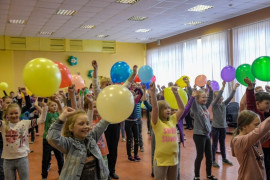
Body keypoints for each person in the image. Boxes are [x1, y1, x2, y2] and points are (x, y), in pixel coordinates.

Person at [91, 60, 137, 179]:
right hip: (102, 126)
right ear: (102, 86)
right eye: (106, 84)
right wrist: (96, 70)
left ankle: (112, 170)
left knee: (113, 149)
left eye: (110, 84)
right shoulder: (100, 94)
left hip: (115, 124)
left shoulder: (116, 93)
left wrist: (134, 73)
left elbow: (127, 84)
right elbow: (95, 85)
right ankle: (103, 171)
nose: (109, 86)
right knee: (103, 150)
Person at [47, 107, 110, 180]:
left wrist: (110, 110)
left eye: (87, 123)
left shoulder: (92, 137)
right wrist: (63, 116)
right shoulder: (69, 144)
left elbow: (103, 123)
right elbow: (52, 138)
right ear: (71, 128)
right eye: (81, 124)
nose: (86, 126)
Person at [1, 102, 47, 180]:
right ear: (7, 115)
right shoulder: (3, 124)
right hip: (7, 160)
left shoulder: (25, 123)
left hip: (22, 158)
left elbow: (42, 119)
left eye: (16, 113)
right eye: (11, 113)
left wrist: (45, 108)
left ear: (20, 113)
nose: (14, 115)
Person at [149, 82, 184, 180]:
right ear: (160, 110)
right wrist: (152, 93)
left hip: (174, 159)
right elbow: (155, 108)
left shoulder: (172, 120)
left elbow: (182, 108)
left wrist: (176, 94)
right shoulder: (157, 123)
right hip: (161, 160)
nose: (168, 110)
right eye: (165, 108)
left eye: (169, 107)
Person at [231, 110, 270, 180]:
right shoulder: (239, 141)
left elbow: (266, 132)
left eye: (259, 124)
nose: (258, 127)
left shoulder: (255, 140)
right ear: (244, 126)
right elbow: (260, 130)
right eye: (256, 125)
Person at [190, 81, 217, 180]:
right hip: (199, 135)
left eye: (205, 97)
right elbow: (192, 102)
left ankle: (209, 175)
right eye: (203, 97)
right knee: (200, 156)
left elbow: (210, 98)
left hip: (206, 134)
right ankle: (196, 176)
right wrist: (192, 93)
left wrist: (209, 88)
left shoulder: (205, 107)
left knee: (209, 156)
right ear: (198, 99)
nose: (205, 99)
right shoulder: (196, 108)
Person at [244, 77, 270, 180]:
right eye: (267, 103)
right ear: (258, 103)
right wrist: (250, 88)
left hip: (268, 147)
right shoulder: (256, 114)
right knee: (261, 169)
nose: (269, 105)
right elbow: (251, 104)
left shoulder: (268, 113)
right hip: (261, 147)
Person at [211, 81, 240, 168]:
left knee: (222, 143)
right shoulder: (214, 105)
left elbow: (230, 97)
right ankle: (212, 160)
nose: (220, 98)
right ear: (215, 98)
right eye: (218, 97)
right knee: (214, 144)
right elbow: (217, 98)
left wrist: (234, 88)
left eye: (221, 97)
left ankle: (224, 158)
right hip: (215, 127)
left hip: (223, 127)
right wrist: (222, 88)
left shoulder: (224, 104)